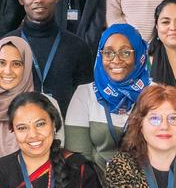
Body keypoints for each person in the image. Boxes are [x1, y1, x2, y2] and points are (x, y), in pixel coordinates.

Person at [64, 26, 150, 174]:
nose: (116, 60)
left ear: (139, 55)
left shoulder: (154, 94)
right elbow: (78, 158)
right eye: (108, 52)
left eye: (125, 52)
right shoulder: (85, 94)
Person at [14, 0, 95, 108]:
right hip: (17, 127)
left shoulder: (78, 47)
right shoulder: (8, 45)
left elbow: (86, 101)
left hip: (66, 125)